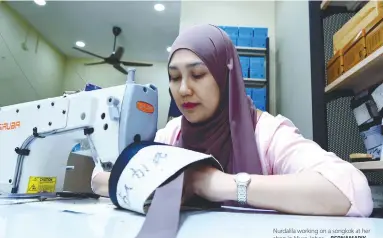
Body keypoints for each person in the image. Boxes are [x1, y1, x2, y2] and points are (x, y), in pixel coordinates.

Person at [91, 24, 373, 217]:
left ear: (225, 77)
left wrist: (213, 184)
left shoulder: (268, 134)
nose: (184, 89)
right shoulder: (172, 135)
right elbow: (103, 180)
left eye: (198, 74)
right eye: (175, 78)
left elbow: (353, 192)